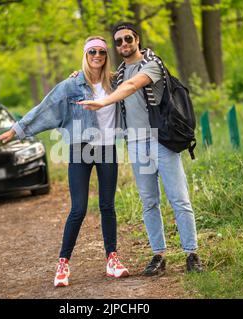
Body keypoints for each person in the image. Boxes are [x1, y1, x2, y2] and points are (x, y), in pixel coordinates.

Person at [0, 36, 129, 287]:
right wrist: (16, 130)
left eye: (101, 52)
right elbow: (45, 108)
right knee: (78, 209)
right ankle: (63, 263)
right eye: (92, 52)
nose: (97, 56)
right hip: (80, 149)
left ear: (106, 56)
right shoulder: (71, 85)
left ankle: (112, 259)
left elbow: (137, 82)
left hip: (108, 149)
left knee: (107, 206)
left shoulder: (115, 82)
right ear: (85, 55)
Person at [77, 23, 203, 275]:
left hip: (160, 141)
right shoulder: (119, 72)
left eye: (128, 39)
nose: (123, 44)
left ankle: (192, 254)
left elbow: (132, 86)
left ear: (137, 40)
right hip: (135, 143)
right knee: (148, 202)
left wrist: (102, 102)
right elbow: (99, 77)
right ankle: (159, 255)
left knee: (179, 199)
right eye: (119, 41)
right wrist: (78, 74)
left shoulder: (153, 64)